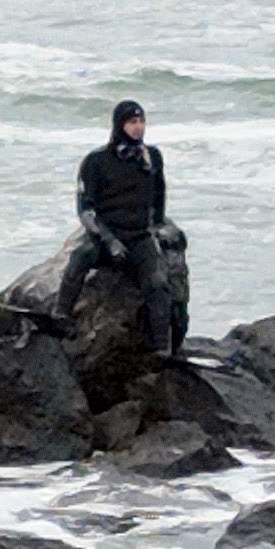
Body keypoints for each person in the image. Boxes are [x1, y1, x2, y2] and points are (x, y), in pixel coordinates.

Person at [57, 99, 187, 358]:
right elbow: (85, 210)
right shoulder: (96, 161)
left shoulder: (152, 158)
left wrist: (159, 229)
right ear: (119, 125)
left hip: (138, 236)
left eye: (141, 121)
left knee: (158, 283)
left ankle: (162, 347)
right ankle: (60, 317)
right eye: (132, 122)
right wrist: (109, 241)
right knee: (80, 257)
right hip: (106, 234)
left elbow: (159, 197)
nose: (138, 127)